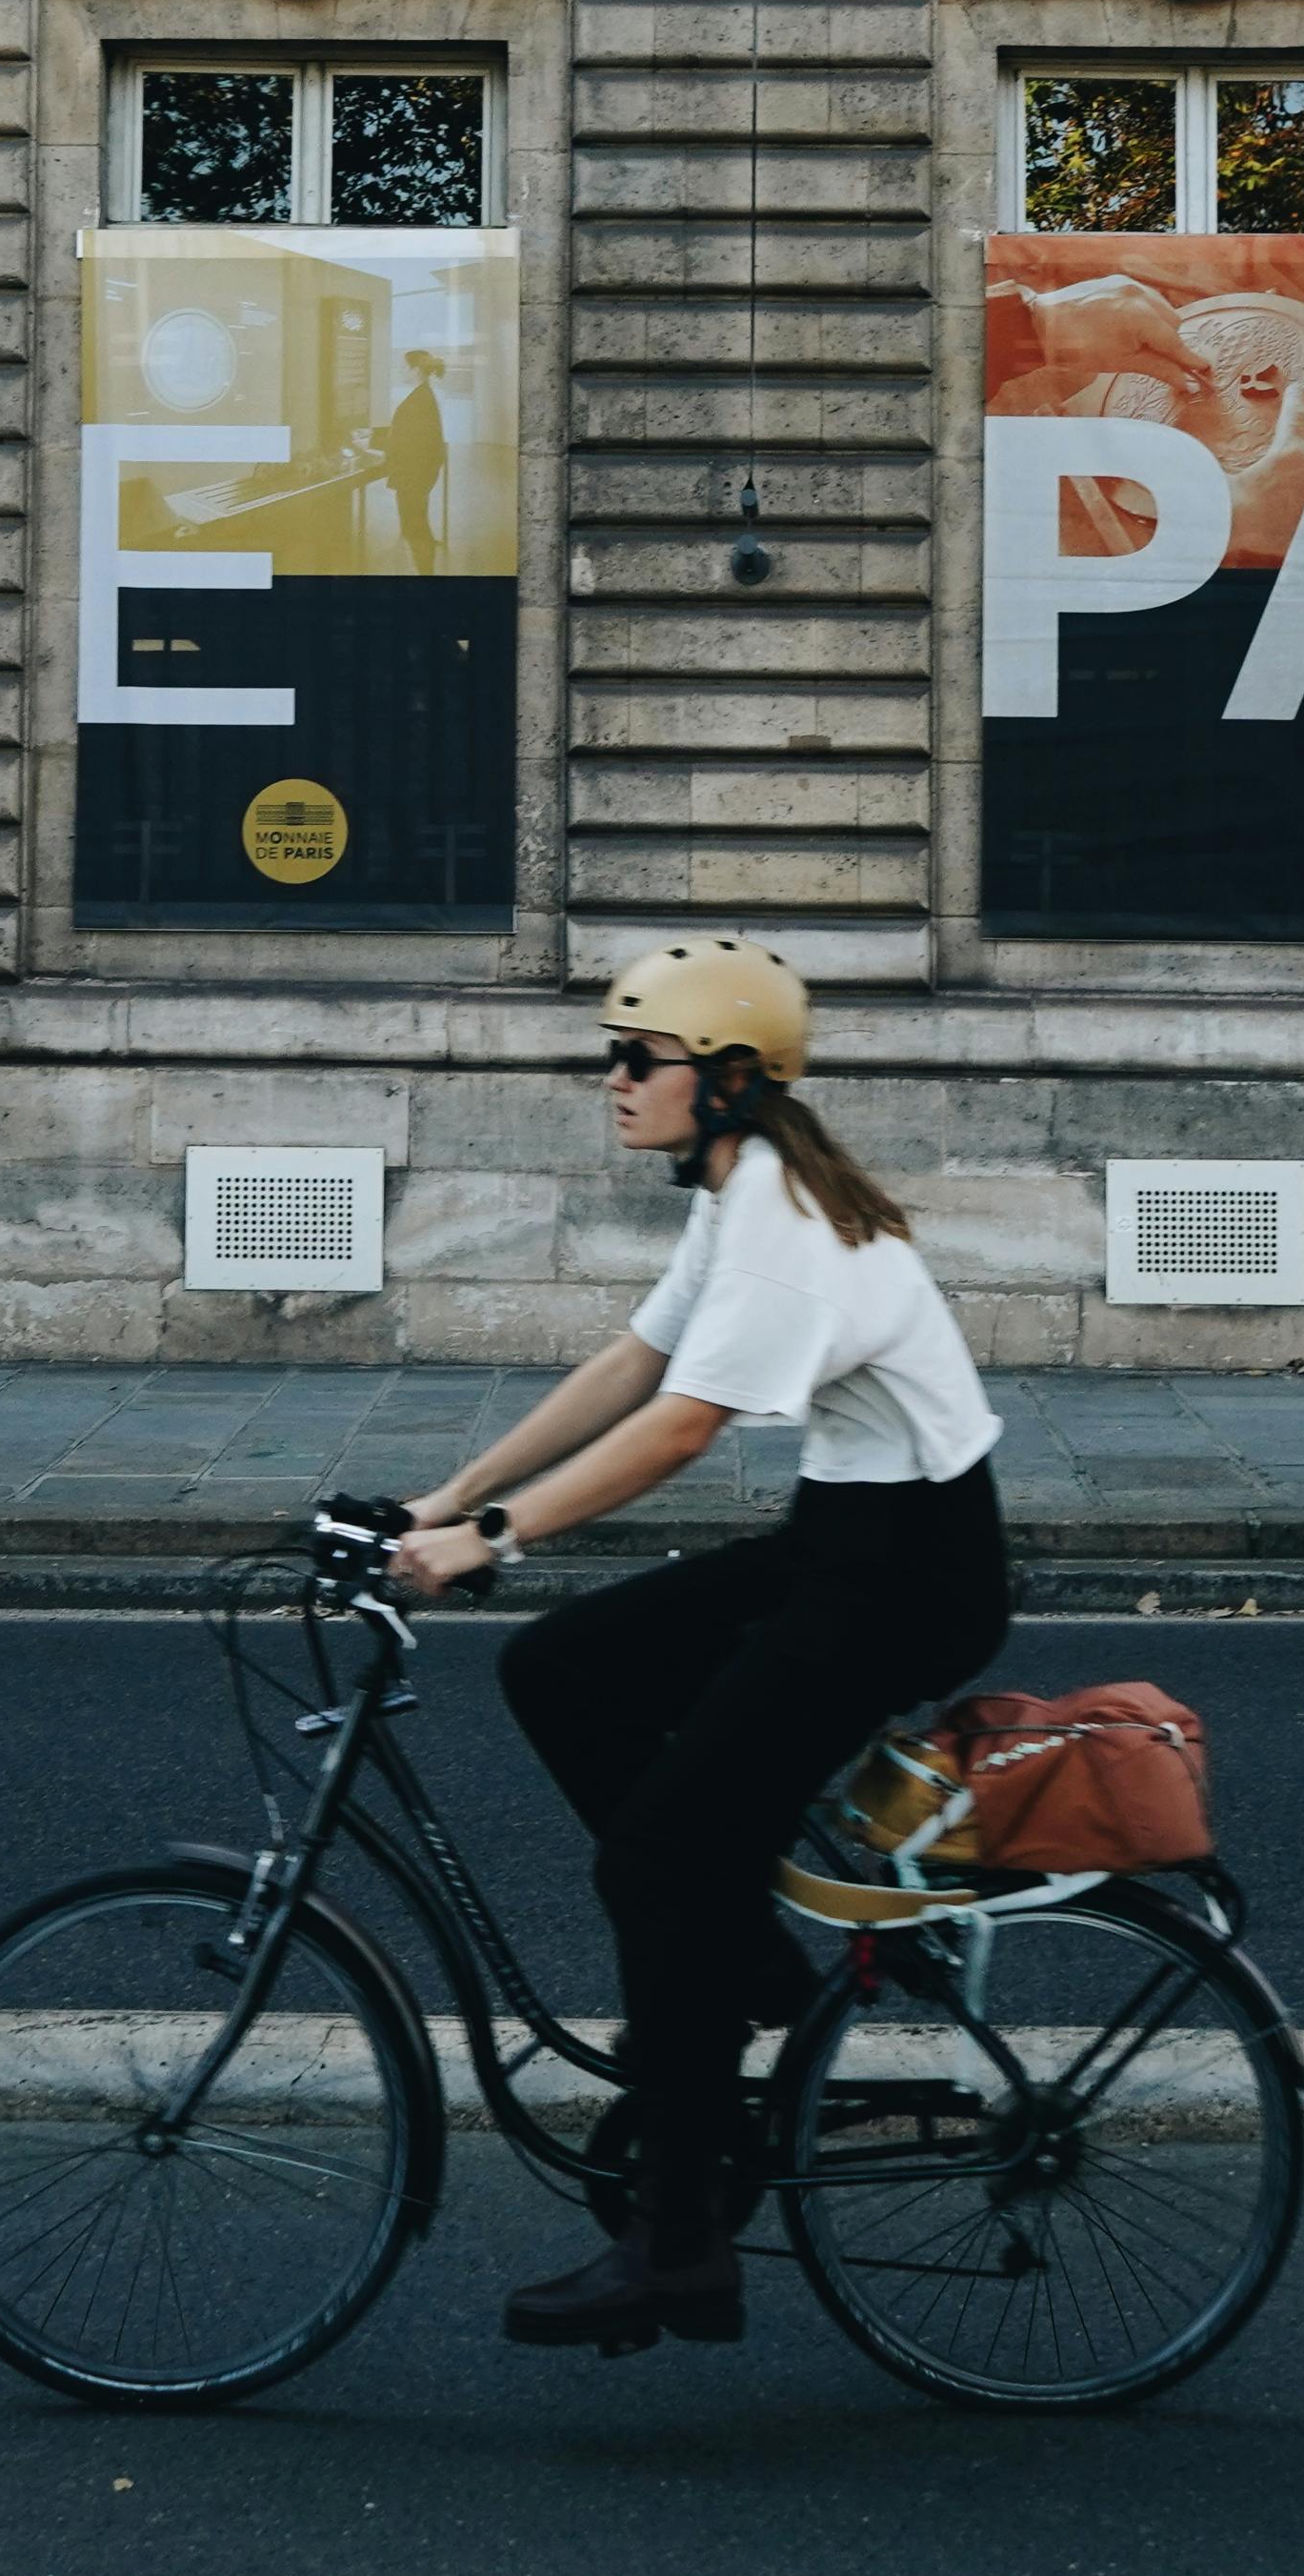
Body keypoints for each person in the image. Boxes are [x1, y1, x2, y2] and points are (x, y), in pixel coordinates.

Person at [383, 935, 1010, 2353]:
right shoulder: (741, 1192)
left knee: (659, 1855)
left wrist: (497, 1542)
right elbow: (634, 1362)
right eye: (611, 1054)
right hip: (842, 1544)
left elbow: (678, 1429)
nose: (613, 1080)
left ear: (726, 1080)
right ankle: (754, 1969)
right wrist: (442, 1501)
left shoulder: (785, 1222)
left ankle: (678, 2250)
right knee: (558, 1668)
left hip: (911, 1573)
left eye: (636, 1057)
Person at [372, 347, 451, 572]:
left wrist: (383, 448)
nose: (400, 371)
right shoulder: (424, 396)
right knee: (416, 524)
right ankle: (424, 568)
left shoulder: (419, 400)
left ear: (415, 370)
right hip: (417, 474)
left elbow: (413, 440)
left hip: (412, 475)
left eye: (403, 367)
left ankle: (426, 573)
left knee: (415, 527)